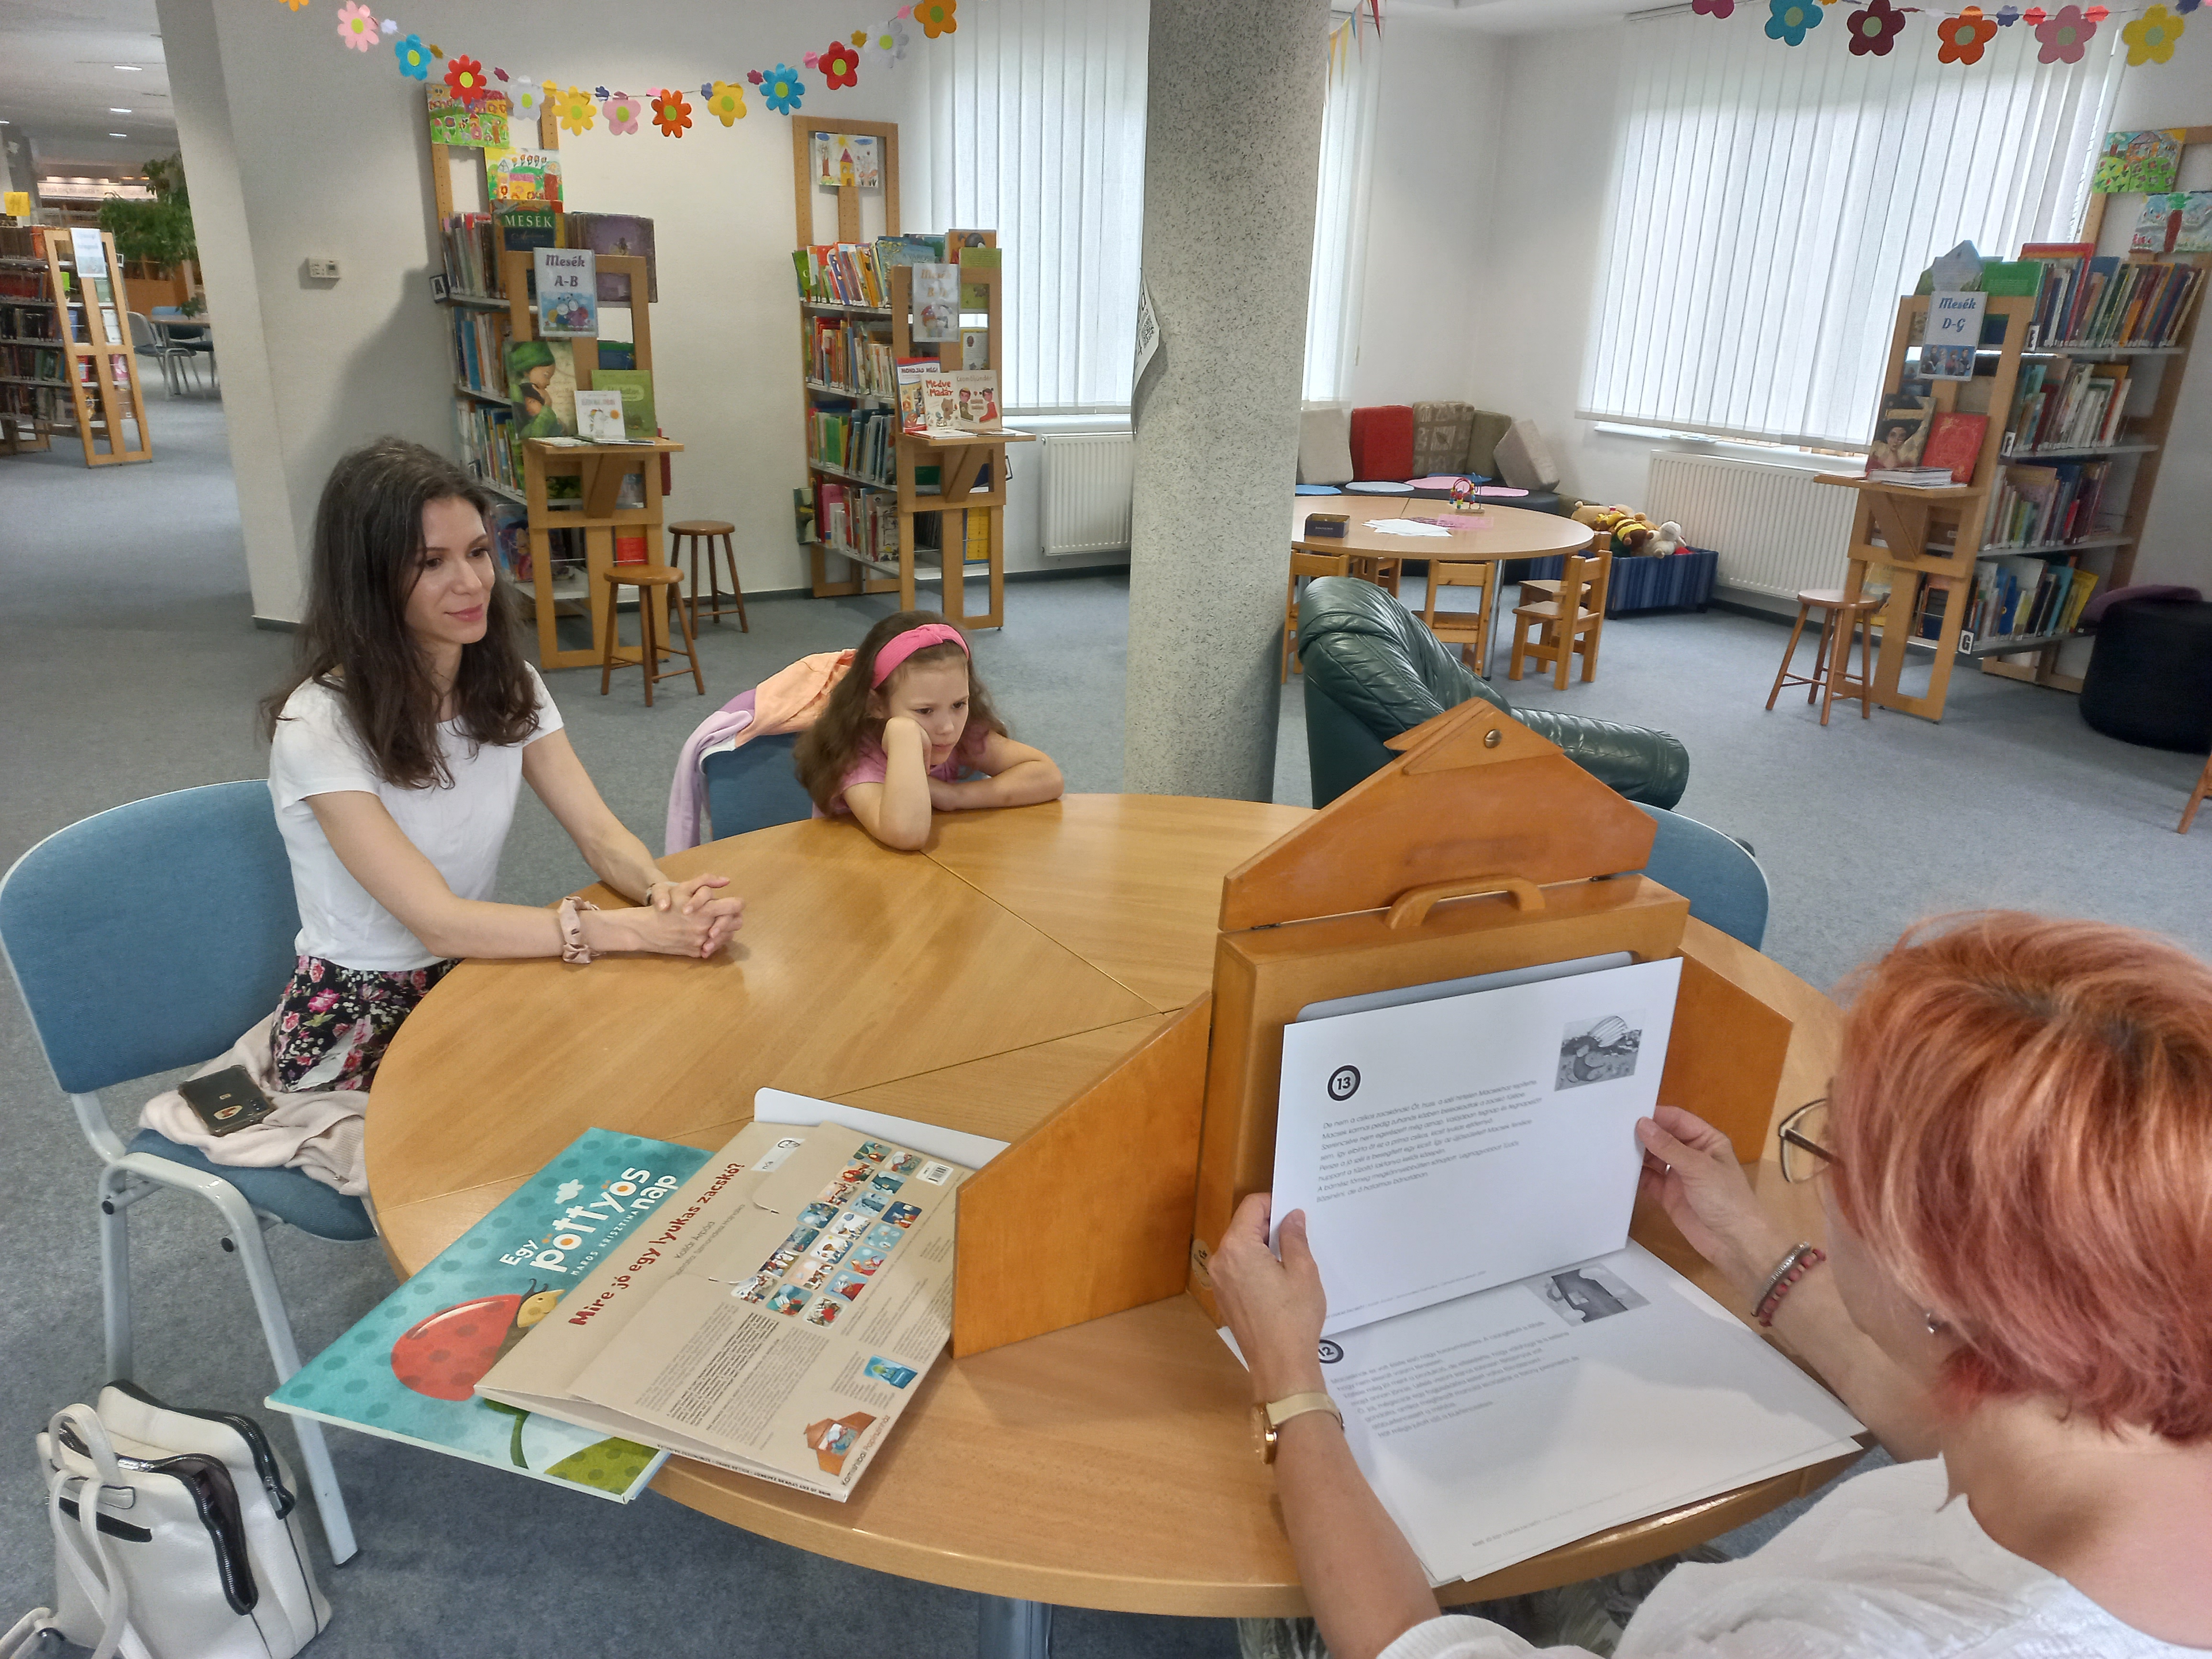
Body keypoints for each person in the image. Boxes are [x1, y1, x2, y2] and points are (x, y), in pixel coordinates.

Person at [1210, 913, 2212, 1659]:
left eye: (1829, 1145)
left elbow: (1415, 1651)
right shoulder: (2122, 1378)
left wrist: (1291, 1379)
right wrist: (1753, 1251)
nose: (1813, 1178)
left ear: (1932, 1274)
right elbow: (1974, 1423)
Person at [261, 438, 742, 1091]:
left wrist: (661, 893)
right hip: (361, 1013)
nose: (472, 583)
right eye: (431, 563)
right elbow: (438, 922)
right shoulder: (318, 724)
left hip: (476, 971)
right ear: (369, 580)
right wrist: (637, 930)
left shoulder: (511, 684)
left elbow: (600, 834)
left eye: (478, 552)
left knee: (641, 1069)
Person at [793, 609, 1062, 851]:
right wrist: (904, 735)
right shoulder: (856, 756)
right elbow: (906, 834)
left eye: (959, 704)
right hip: (858, 877)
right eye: (925, 711)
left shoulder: (959, 732)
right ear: (876, 705)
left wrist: (955, 797)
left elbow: (1047, 776)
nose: (948, 728)